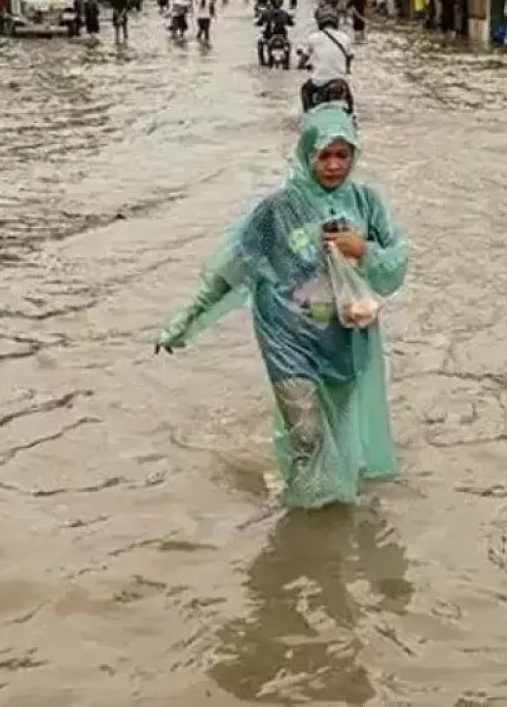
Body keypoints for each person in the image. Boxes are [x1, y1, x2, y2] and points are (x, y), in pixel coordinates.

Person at [156, 105, 406, 508]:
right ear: (306, 155)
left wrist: (364, 251)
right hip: (286, 335)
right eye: (324, 155)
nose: (333, 165)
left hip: (342, 334)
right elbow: (231, 269)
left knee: (339, 429)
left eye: (343, 155)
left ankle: (332, 504)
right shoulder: (276, 209)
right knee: (307, 430)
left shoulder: (366, 205)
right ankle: (304, 510)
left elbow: (397, 265)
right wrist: (185, 321)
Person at [300, 6, 354, 114]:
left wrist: (301, 64)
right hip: (340, 80)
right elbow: (350, 56)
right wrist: (347, 68)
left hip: (320, 80)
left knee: (305, 90)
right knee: (349, 97)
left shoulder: (313, 38)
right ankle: (351, 115)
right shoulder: (345, 37)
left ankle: (308, 114)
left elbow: (304, 57)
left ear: (319, 22)